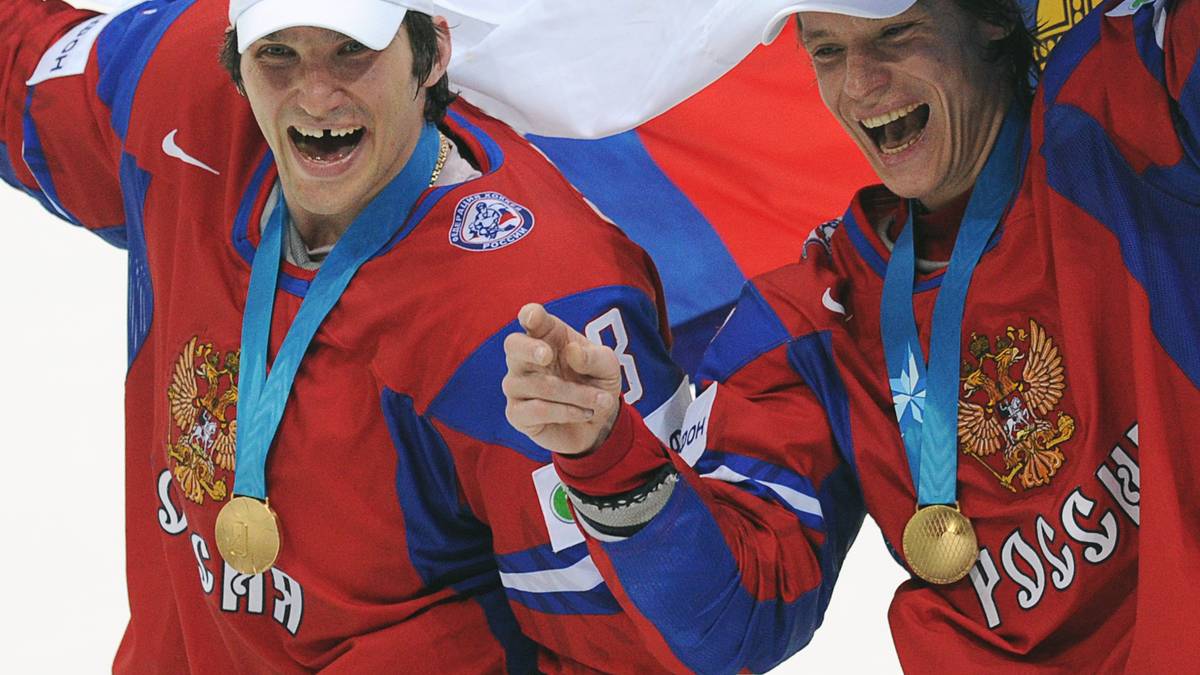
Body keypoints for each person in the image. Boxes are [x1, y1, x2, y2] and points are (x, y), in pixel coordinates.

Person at [504, 0, 1200, 671]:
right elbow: (733, 622)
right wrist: (605, 457)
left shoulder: (1120, 114)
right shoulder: (814, 320)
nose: (860, 85)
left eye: (895, 36)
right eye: (828, 51)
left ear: (990, 17)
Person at [1, 0, 695, 670]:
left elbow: (644, 647)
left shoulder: (532, 314)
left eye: (351, 50)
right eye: (278, 52)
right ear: (236, 61)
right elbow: (16, 70)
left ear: (434, 54)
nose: (316, 96)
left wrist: (613, 469)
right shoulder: (176, 87)